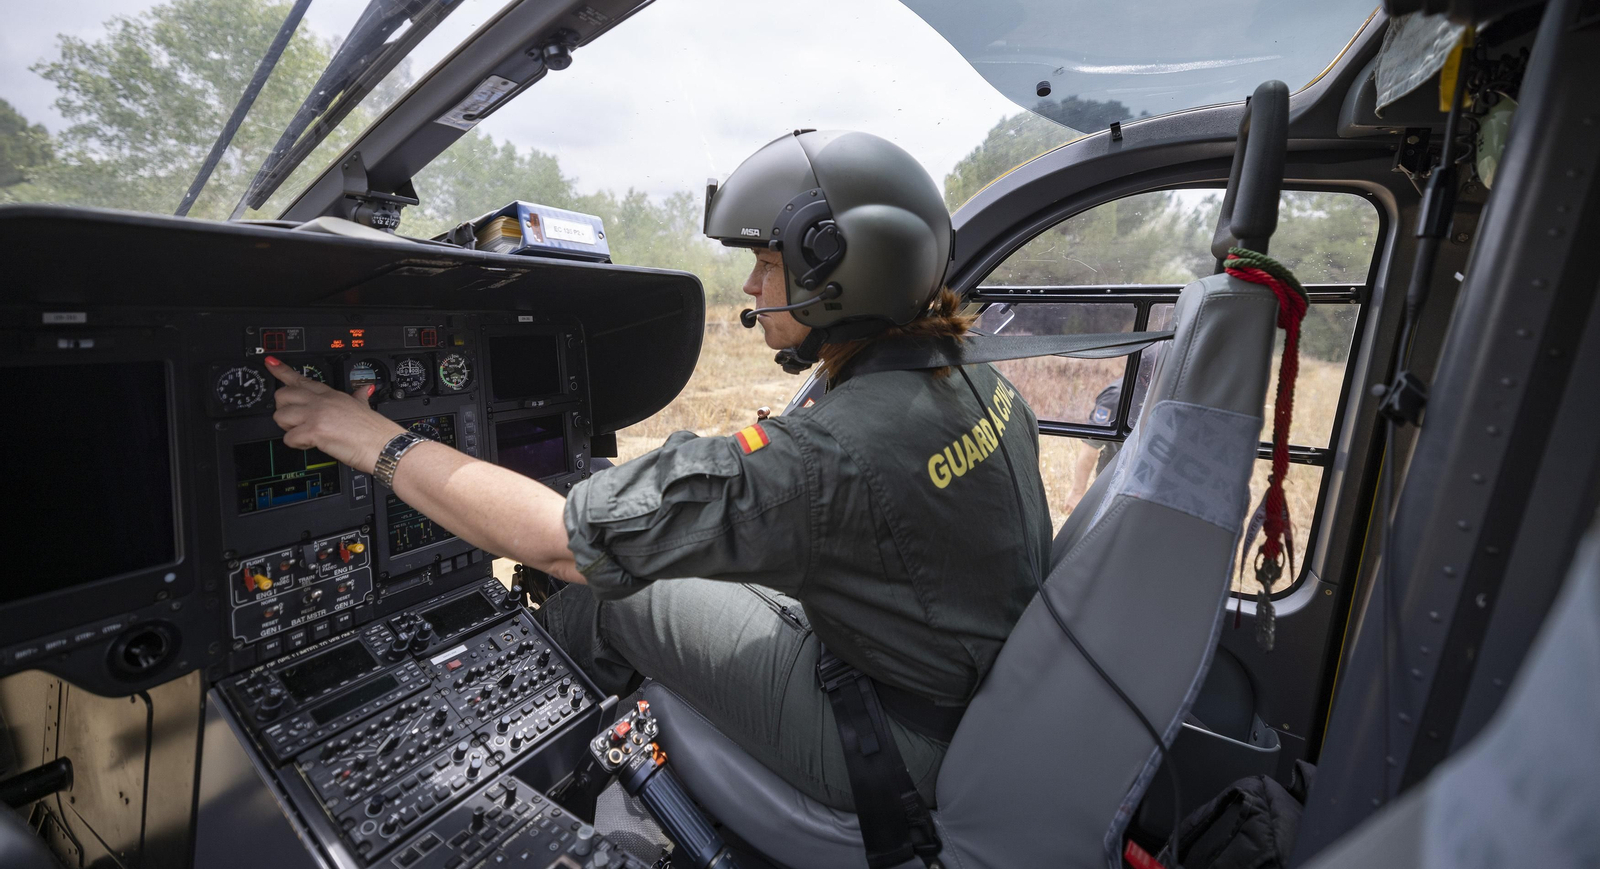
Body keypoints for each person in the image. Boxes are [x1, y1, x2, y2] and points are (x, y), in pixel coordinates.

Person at [264, 129, 1052, 812]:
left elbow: (554, 542)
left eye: (766, 261)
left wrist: (372, 437)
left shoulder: (830, 456)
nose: (749, 285)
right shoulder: (972, 375)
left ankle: (533, 774)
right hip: (957, 687)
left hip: (883, 746)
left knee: (606, 592)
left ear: (834, 271)